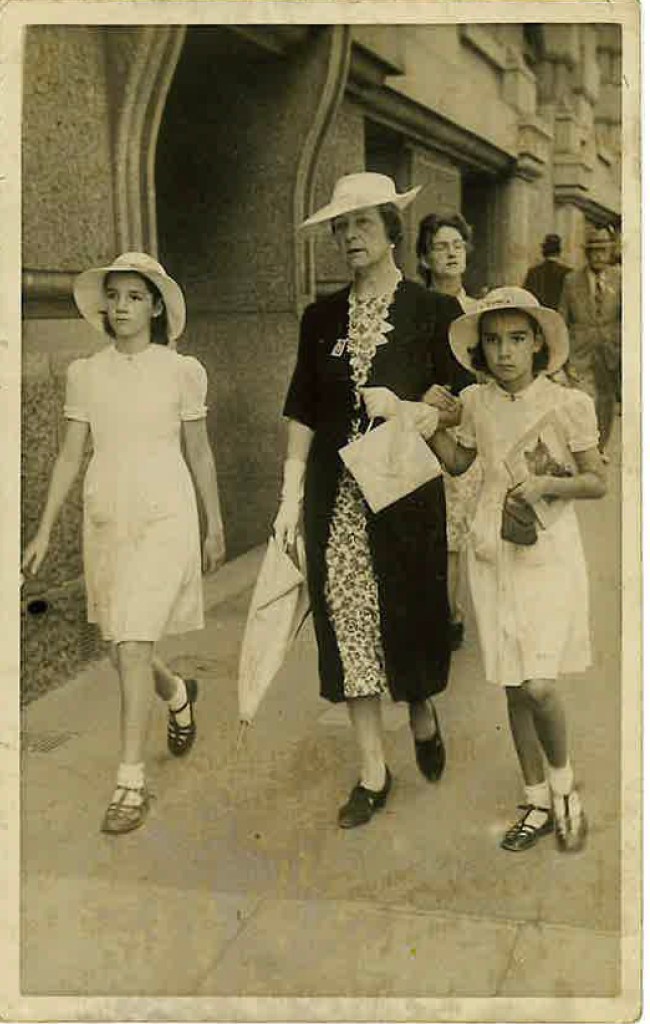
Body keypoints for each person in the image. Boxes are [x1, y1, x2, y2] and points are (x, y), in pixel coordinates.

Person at [274, 172, 466, 829]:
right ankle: (371, 772)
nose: (349, 236)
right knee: (349, 624)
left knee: (410, 618)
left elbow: (461, 400)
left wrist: (413, 411)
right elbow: (303, 404)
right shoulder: (320, 318)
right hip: (337, 498)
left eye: (362, 224)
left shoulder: (432, 312)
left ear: (391, 231)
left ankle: (419, 706)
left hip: (405, 492)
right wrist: (287, 491)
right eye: (340, 227)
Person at [22, 252, 225, 835]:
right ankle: (177, 692)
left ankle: (130, 781)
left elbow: (201, 452)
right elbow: (68, 455)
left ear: (155, 306)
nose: (121, 307)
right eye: (113, 296)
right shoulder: (86, 373)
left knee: (132, 644)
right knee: (120, 646)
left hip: (165, 514)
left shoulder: (181, 370)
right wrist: (42, 528)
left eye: (134, 297)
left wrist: (214, 523)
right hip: (107, 514)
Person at [430, 287, 606, 853]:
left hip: (547, 551)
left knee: (541, 684)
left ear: (538, 343)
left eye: (517, 338)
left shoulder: (566, 403)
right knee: (513, 681)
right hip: (494, 547)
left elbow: (597, 480)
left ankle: (564, 787)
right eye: (493, 340)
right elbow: (460, 461)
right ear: (480, 347)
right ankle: (534, 799)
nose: (504, 351)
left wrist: (549, 484)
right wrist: (429, 424)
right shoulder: (476, 403)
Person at [416, 212, 481, 650]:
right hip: (420, 427)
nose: (452, 252)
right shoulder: (414, 311)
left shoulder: (480, 312)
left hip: (467, 429)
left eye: (458, 244)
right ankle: (433, 612)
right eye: (441, 246)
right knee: (427, 526)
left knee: (457, 527)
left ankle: (449, 615)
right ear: (424, 256)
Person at [558, 225, 621, 459]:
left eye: (603, 250)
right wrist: (562, 354)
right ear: (587, 253)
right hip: (579, 351)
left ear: (611, 251)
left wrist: (619, 341)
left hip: (609, 351)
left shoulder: (621, 278)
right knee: (580, 400)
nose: (598, 255)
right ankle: (580, 449)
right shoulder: (571, 280)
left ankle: (600, 447)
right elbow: (562, 317)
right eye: (593, 250)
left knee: (605, 401)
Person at [522, 233, 572, 311]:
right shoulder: (568, 273)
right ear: (559, 251)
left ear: (543, 251)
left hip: (539, 316)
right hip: (560, 317)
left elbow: (526, 297)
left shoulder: (533, 272)